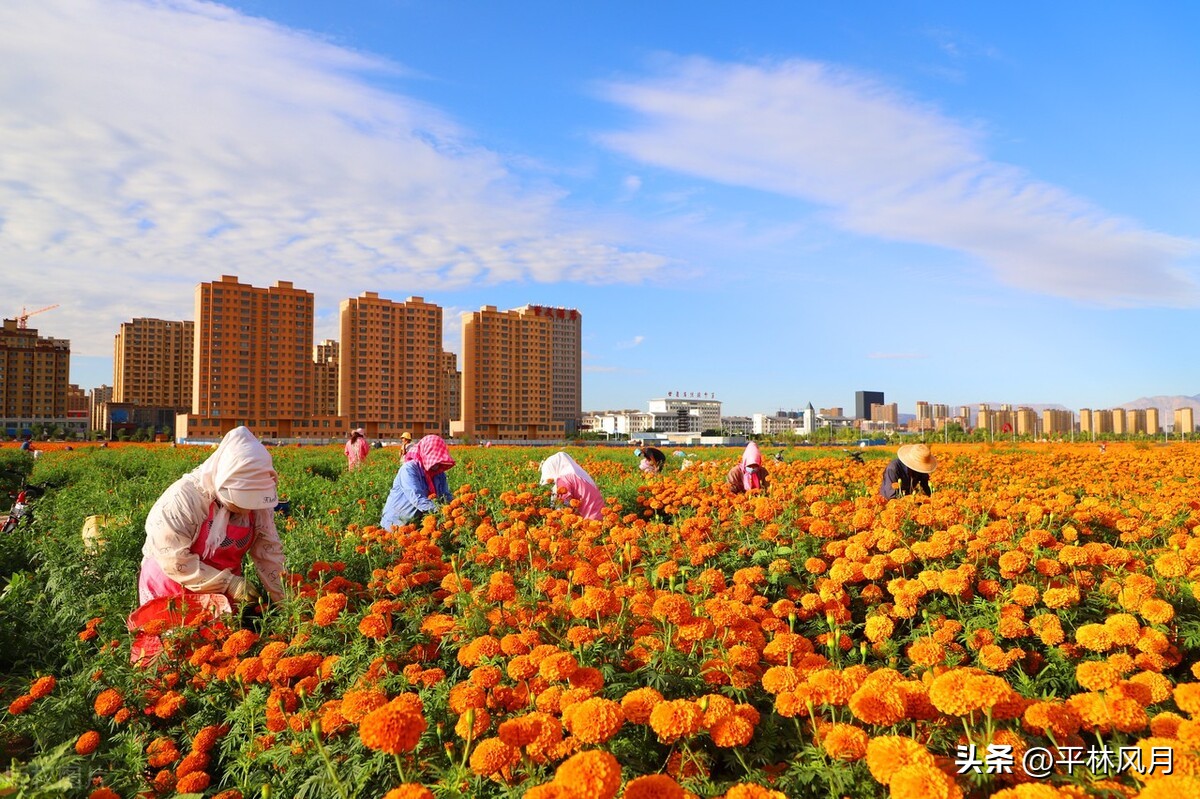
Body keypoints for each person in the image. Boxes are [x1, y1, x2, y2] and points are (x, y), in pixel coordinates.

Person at [136, 426, 285, 607]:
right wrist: (228, 583)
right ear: (223, 482)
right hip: (172, 582)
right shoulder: (183, 498)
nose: (248, 510)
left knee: (220, 633)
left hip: (224, 588)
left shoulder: (259, 501)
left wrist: (287, 602)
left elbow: (268, 553)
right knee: (176, 631)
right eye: (242, 500)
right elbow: (173, 559)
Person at [380, 434, 455, 529]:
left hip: (419, 524)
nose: (437, 464)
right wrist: (443, 511)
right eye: (434, 460)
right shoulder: (409, 469)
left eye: (439, 460)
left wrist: (457, 508)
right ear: (425, 454)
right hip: (397, 523)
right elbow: (417, 498)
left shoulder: (439, 473)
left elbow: (445, 496)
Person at [539, 451, 604, 521]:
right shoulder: (578, 474)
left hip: (588, 522)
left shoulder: (564, 479)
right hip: (600, 516)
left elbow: (563, 507)